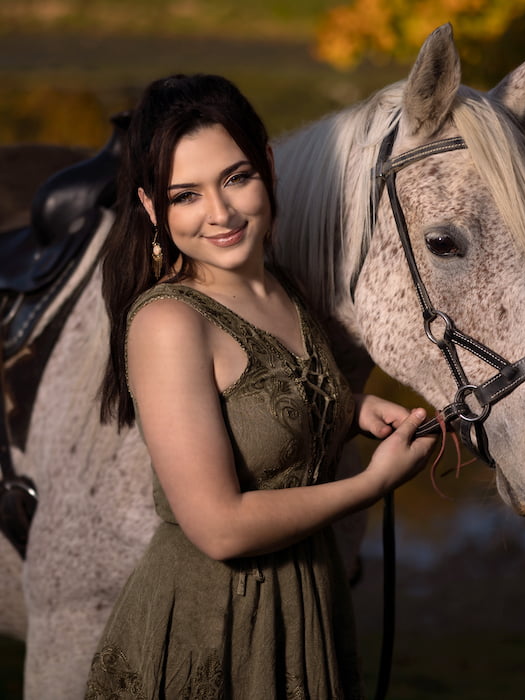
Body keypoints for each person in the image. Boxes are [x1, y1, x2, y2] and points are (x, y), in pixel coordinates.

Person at [87, 74, 436, 698]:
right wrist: (371, 485)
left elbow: (262, 400)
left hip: (310, 608)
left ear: (268, 168)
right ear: (150, 208)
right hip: (214, 623)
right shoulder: (169, 322)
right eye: (185, 195)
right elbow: (219, 527)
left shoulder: (281, 286)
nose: (219, 214)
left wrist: (349, 409)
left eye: (236, 178)